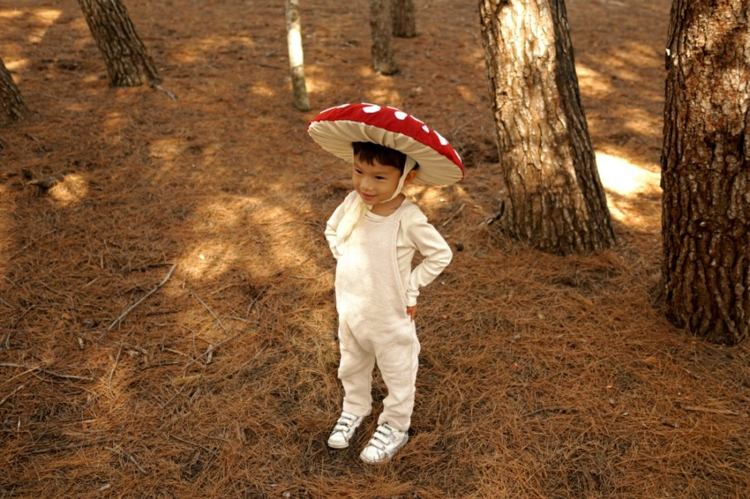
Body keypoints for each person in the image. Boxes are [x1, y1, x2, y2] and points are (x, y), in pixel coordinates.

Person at [308, 103, 464, 464]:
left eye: (379, 177)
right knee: (352, 363)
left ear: (405, 177)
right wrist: (347, 261)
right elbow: (333, 230)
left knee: (397, 370)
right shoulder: (353, 203)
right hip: (350, 307)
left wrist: (410, 287)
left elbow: (440, 255)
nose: (365, 184)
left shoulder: (408, 218)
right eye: (359, 172)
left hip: (390, 313)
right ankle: (355, 407)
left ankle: (395, 425)